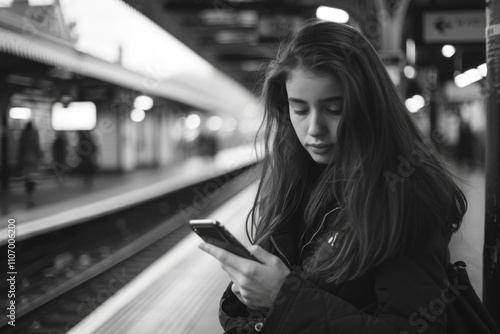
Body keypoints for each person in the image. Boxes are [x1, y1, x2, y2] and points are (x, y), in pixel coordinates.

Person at [198, 20, 468, 334]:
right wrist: (246, 297)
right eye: (299, 110)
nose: (314, 129)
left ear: (369, 107)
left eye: (334, 109)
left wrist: (283, 299)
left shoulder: (404, 194)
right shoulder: (296, 181)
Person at [17, 121, 43, 204]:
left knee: (27, 178)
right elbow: (37, 147)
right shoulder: (35, 135)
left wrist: (19, 160)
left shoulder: (23, 135)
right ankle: (31, 194)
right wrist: (40, 157)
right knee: (33, 177)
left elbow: (20, 149)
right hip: (33, 160)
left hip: (25, 160)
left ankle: (28, 193)